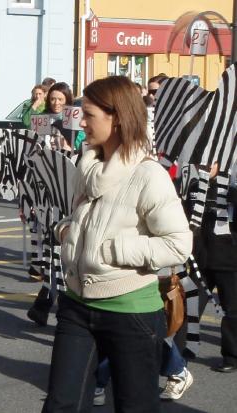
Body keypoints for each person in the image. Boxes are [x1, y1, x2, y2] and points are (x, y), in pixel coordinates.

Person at [42, 76, 192, 413]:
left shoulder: (148, 174)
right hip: (77, 305)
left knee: (134, 406)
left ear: (118, 117)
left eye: (89, 114)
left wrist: (113, 250)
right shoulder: (90, 166)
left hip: (131, 312)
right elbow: (85, 219)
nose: (81, 121)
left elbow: (179, 244)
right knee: (60, 404)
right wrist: (65, 231)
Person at [187, 162, 237, 373]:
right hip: (201, 261)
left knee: (232, 312)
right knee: (189, 309)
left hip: (229, 261)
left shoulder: (231, 188)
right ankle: (180, 356)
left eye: (209, 163)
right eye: (200, 163)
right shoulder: (194, 186)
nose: (203, 166)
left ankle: (231, 357)